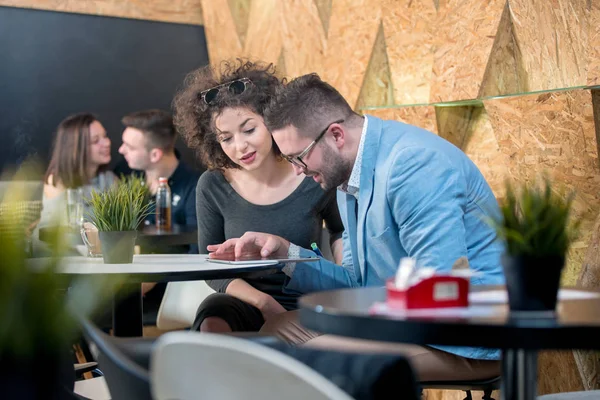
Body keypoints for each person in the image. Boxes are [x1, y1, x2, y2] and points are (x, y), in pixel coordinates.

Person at [207, 73, 506, 382]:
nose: (298, 170)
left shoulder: (413, 165)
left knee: (317, 358)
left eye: (299, 157)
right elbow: (353, 283)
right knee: (274, 333)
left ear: (336, 135)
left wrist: (357, 321)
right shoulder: (346, 174)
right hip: (410, 321)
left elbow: (437, 290)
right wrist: (285, 252)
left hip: (465, 339)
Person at [172, 60, 344, 333]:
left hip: (308, 298)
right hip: (244, 301)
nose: (240, 146)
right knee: (214, 314)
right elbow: (212, 267)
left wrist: (343, 279)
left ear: (271, 120)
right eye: (226, 138)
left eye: (249, 130)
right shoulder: (212, 185)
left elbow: (339, 231)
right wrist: (264, 303)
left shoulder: (311, 174)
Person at [118, 109, 200, 322]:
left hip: (172, 296)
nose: (121, 150)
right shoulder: (127, 179)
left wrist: (153, 277)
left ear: (154, 154)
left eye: (129, 147)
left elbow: (197, 251)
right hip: (124, 286)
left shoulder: (194, 187)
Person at [33, 113, 116, 251]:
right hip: (54, 255)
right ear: (76, 148)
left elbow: (120, 228)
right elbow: (65, 234)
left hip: (96, 254)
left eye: (105, 136)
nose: (107, 143)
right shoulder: (58, 180)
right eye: (96, 141)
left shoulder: (109, 179)